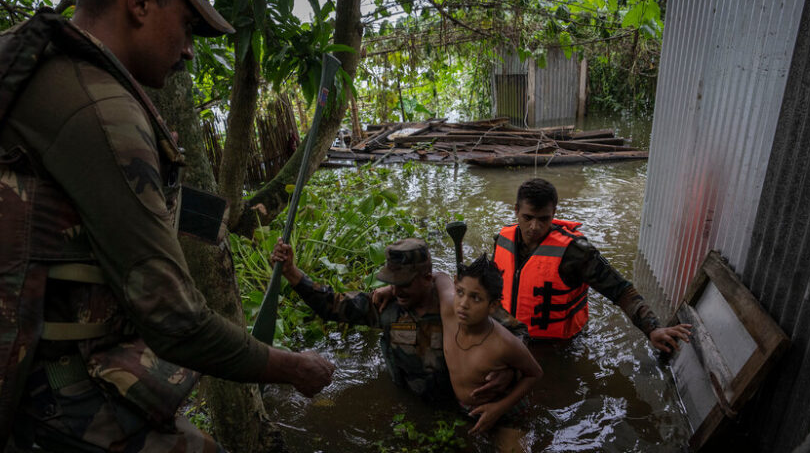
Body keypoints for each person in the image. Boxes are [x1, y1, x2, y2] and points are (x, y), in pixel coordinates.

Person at [0, 0, 334, 451]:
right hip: (48, 403)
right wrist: (292, 367)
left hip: (6, 374)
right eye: (188, 25)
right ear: (140, 1)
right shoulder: (104, 112)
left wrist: (228, 220)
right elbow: (176, 321)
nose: (190, 49)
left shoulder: (46, 69)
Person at [270, 237, 527, 404]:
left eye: (404, 283)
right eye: (392, 283)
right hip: (411, 398)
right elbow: (333, 306)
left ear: (427, 278)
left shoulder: (461, 307)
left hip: (462, 403)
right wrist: (293, 273)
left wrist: (508, 370)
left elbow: (518, 333)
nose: (397, 290)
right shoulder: (386, 306)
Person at [493, 178, 691, 349]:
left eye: (543, 219)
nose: (534, 227)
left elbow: (621, 289)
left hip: (557, 345)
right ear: (516, 210)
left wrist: (653, 328)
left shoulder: (578, 251)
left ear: (554, 212)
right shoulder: (502, 239)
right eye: (527, 218)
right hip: (509, 336)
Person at [435, 254, 542, 451]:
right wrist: (390, 288)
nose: (464, 304)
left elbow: (535, 373)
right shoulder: (449, 310)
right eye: (460, 292)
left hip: (505, 411)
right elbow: (439, 276)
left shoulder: (502, 343)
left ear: (492, 306)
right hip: (466, 407)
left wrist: (498, 409)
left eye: (475, 298)